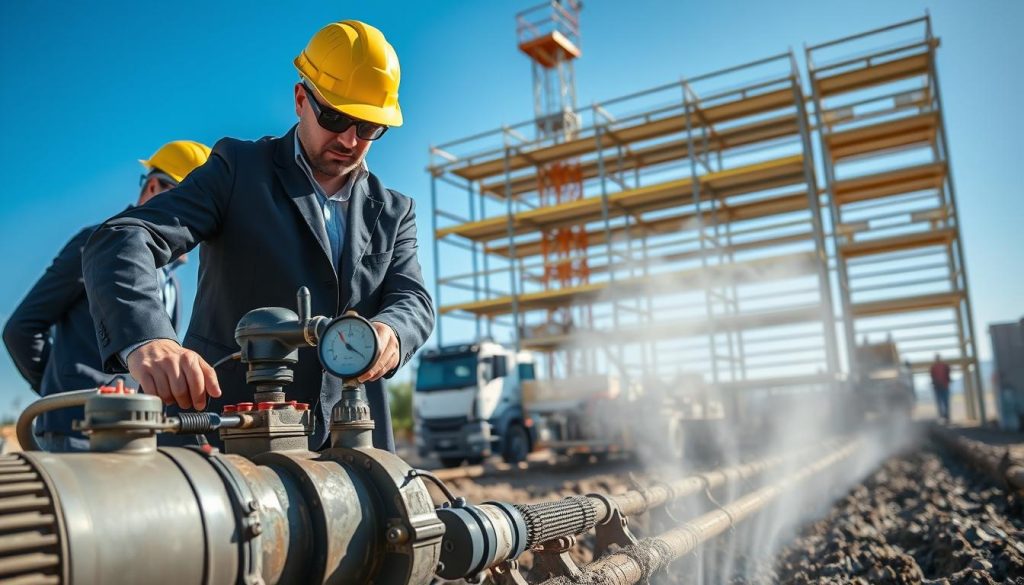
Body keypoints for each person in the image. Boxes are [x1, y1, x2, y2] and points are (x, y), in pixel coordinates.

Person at [81, 20, 433, 452]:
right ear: (301, 99)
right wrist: (150, 338)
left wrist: (390, 334)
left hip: (350, 446)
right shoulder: (238, 170)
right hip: (224, 438)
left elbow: (413, 300)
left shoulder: (395, 212)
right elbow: (123, 237)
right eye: (336, 116)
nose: (349, 138)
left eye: (368, 127)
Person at [3, 140, 211, 451]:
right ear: (153, 186)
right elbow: (21, 329)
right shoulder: (94, 244)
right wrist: (63, 390)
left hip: (131, 432)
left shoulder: (174, 282)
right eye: (188, 197)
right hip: (75, 432)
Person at [930, 353, 952, 423]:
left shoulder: (944, 366)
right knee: (941, 403)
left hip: (944, 386)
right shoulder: (934, 367)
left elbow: (948, 373)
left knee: (945, 402)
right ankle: (942, 416)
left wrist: (947, 380)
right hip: (939, 387)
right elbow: (932, 376)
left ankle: (946, 417)